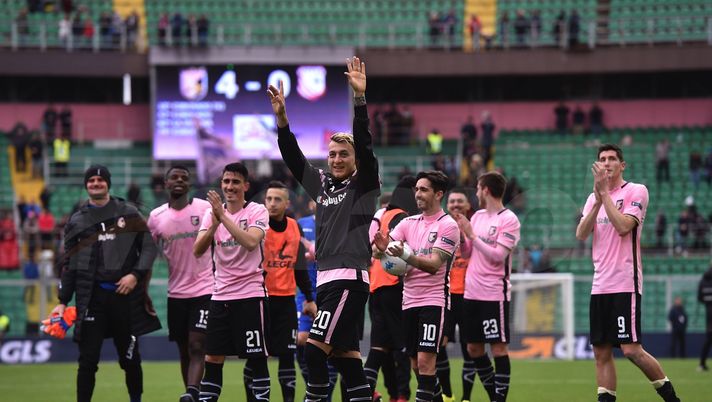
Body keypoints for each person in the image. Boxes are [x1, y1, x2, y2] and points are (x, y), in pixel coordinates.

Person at [267, 56, 380, 401]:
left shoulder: (364, 185)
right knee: (347, 363)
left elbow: (364, 142)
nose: (335, 159)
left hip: (348, 280)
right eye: (331, 154)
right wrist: (283, 121)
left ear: (355, 159)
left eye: (343, 154)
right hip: (328, 279)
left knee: (314, 352)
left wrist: (359, 101)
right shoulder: (323, 186)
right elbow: (294, 158)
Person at [575, 144, 680, 402]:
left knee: (631, 350)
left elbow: (623, 227)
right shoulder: (593, 198)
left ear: (622, 165)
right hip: (600, 284)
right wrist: (599, 199)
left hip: (625, 281)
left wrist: (606, 197)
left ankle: (672, 400)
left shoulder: (636, 191)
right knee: (601, 353)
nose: (607, 163)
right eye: (602, 159)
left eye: (612, 159)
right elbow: (581, 234)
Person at [51, 165, 161, 402]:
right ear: (86, 185)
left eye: (101, 180)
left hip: (125, 300)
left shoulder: (128, 213)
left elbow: (150, 248)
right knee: (88, 361)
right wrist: (62, 301)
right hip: (92, 300)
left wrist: (135, 275)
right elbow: (70, 265)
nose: (96, 183)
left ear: (108, 184)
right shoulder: (77, 221)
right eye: (91, 180)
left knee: (130, 359)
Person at [373, 170, 459, 402]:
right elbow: (380, 252)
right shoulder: (408, 223)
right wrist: (380, 248)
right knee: (416, 365)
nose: (418, 194)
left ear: (438, 194)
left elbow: (433, 265)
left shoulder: (448, 225)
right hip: (408, 300)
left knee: (425, 361)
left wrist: (406, 255)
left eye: (424, 190)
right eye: (417, 189)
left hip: (434, 301)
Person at [192, 162, 270, 401]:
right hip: (220, 295)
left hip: (250, 294)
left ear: (245, 186)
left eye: (235, 182)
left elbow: (249, 242)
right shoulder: (210, 214)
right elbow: (197, 250)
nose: (230, 186)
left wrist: (222, 216)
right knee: (213, 358)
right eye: (226, 181)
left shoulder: (257, 211)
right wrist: (215, 220)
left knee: (256, 358)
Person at [452, 171, 521, 402]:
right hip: (472, 293)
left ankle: (499, 399)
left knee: (499, 349)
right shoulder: (478, 216)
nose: (477, 192)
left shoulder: (508, 219)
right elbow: (467, 252)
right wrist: (463, 234)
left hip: (494, 294)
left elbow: (498, 256)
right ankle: (494, 396)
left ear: (486, 190)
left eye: (479, 188)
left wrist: (472, 234)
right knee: (473, 349)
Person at [147, 166, 213, 402]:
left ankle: (192, 392)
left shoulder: (204, 209)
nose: (179, 180)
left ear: (189, 184)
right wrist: (143, 292)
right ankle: (192, 395)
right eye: (174, 177)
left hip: (205, 289)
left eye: (184, 178)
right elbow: (147, 255)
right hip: (176, 293)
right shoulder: (156, 218)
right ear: (165, 183)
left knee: (197, 345)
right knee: (184, 350)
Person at [259, 180, 317, 402]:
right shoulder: (258, 227)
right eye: (269, 199)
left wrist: (309, 298)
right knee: (257, 357)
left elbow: (299, 267)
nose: (272, 204)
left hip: (285, 301)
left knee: (286, 356)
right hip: (260, 300)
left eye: (277, 200)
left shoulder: (295, 227)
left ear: (286, 203)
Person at [364, 176, 418, 402]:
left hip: (375, 285)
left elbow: (371, 247)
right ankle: (403, 396)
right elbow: (398, 249)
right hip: (394, 286)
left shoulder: (383, 215)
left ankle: (365, 391)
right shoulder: (401, 218)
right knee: (402, 346)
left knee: (378, 347)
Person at [294, 200, 339, 401]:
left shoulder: (337, 224)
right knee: (301, 339)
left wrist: (313, 248)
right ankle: (314, 388)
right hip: (306, 292)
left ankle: (322, 395)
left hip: (331, 292)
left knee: (332, 345)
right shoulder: (301, 224)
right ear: (311, 203)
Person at [440, 187, 477, 402]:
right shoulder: (442, 227)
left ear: (467, 205)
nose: (455, 205)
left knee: (469, 347)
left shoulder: (475, 228)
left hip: (469, 295)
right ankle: (447, 393)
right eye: (452, 201)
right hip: (445, 295)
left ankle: (466, 398)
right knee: (439, 343)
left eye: (459, 201)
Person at [698, 265, 712, 371]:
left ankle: (702, 364)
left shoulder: (703, 280)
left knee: (708, 339)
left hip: (709, 312)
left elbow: (700, 298)